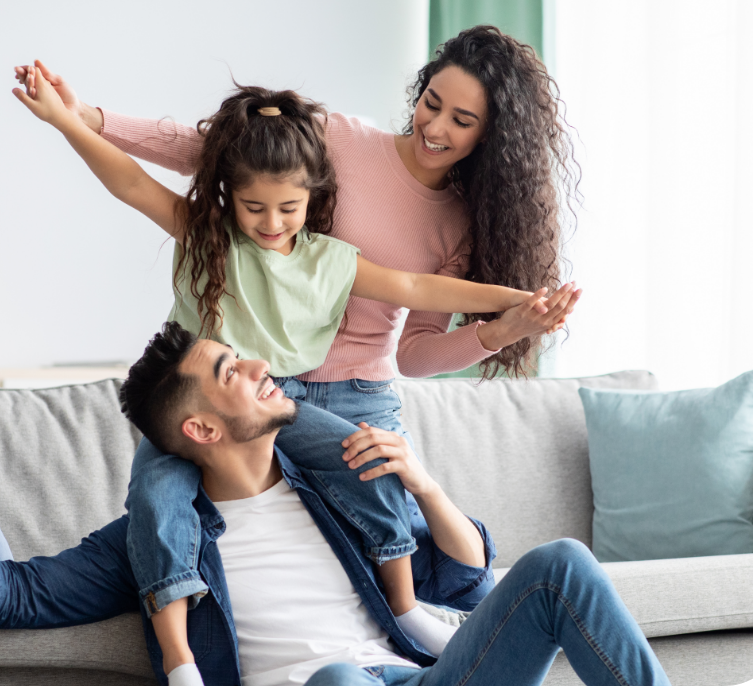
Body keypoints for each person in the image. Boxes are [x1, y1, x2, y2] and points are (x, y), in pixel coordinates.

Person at [12, 65, 577, 682]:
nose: (271, 222)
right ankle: (180, 660)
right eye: (255, 207)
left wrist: (515, 300)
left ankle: (405, 606)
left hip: (278, 404)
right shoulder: (208, 236)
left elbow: (415, 286)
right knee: (156, 498)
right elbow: (130, 182)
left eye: (289, 208)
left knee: (366, 459)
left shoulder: (328, 260)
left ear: (313, 199)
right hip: (207, 405)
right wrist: (70, 119)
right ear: (229, 194)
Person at [0, 322, 671, 686]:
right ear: (200, 430)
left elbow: (468, 583)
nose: (261, 368)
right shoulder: (151, 540)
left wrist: (424, 484)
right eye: (232, 373)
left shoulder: (335, 494)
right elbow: (21, 594)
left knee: (561, 563)